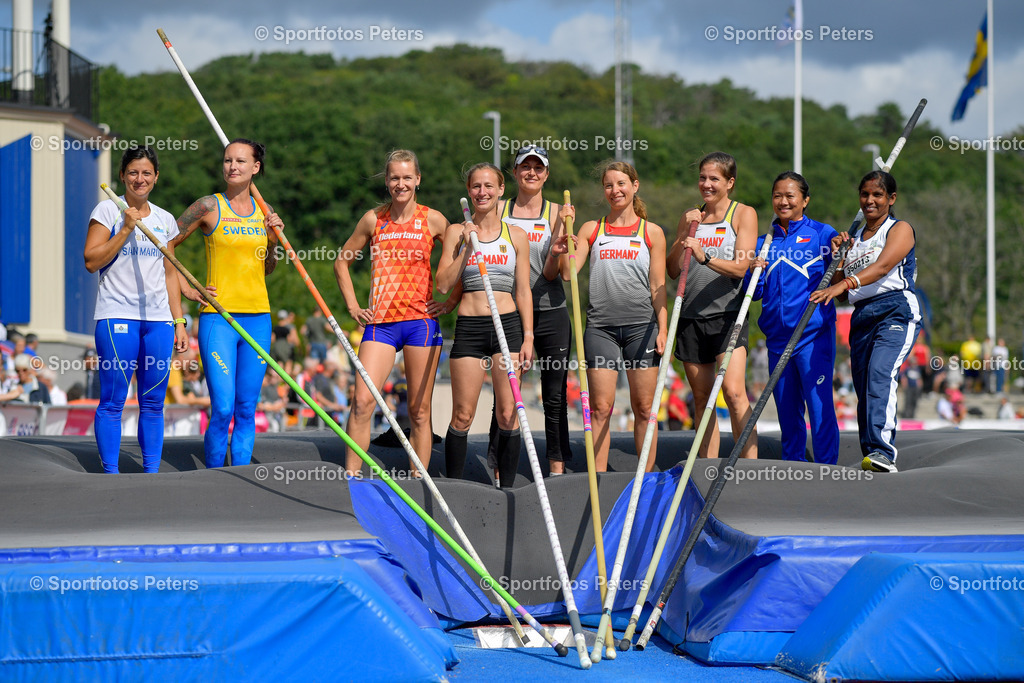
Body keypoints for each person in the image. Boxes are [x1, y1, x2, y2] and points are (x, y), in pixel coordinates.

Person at [334, 149, 449, 474]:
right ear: (387, 181)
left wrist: (450, 300)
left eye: (407, 177)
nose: (401, 183)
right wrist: (354, 306)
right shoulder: (374, 219)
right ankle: (352, 477)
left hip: (420, 323)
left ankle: (418, 480)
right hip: (381, 324)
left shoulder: (433, 219)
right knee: (362, 403)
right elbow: (341, 261)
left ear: (418, 180)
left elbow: (462, 260)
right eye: (395, 177)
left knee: (419, 410)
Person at [172, 138, 281, 468]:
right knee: (222, 407)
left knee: (247, 407)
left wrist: (273, 241)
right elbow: (166, 246)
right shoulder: (208, 206)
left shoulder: (266, 212)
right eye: (227, 160)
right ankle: (215, 477)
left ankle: (241, 480)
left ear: (255, 168)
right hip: (218, 318)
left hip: (258, 317)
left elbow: (268, 267)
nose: (232, 167)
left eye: (241, 161)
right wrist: (187, 286)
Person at [83, 146, 189, 474]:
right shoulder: (107, 210)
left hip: (158, 320)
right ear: (122, 176)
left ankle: (151, 474)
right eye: (133, 172)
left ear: (156, 178)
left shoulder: (165, 220)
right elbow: (91, 261)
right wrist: (126, 228)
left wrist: (180, 321)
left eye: (146, 173)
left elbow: (170, 272)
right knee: (114, 400)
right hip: (117, 314)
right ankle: (111, 474)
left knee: (154, 402)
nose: (139, 179)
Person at [810, 171, 919, 473]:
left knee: (879, 376)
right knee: (863, 388)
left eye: (878, 195)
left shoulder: (899, 229)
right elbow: (842, 293)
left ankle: (883, 452)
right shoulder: (854, 240)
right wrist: (838, 259)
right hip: (861, 316)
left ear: (891, 199)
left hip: (895, 309)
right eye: (865, 194)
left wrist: (843, 284)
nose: (870, 200)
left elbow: (883, 266)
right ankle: (871, 455)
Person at [437, 162, 534, 487]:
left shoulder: (516, 235)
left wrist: (528, 336)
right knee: (463, 415)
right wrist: (466, 246)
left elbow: (522, 290)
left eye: (489, 186)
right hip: (470, 327)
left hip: (507, 327)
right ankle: (454, 489)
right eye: (476, 186)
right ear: (469, 191)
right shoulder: (456, 231)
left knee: (508, 414)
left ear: (501, 190)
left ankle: (507, 490)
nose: (482, 192)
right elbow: (442, 285)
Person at [568, 161, 667, 472]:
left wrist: (663, 328)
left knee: (644, 408)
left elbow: (658, 286)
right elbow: (568, 274)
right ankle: (598, 479)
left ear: (634, 186)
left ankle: (646, 479)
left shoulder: (651, 232)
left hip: (643, 328)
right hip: (601, 329)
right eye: (609, 185)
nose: (615, 190)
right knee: (600, 408)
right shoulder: (591, 229)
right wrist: (563, 239)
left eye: (621, 184)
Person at [485, 145, 572, 474]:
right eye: (525, 167)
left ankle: (556, 467)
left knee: (554, 394)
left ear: (547, 174)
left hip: (550, 310)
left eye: (538, 168)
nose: (531, 173)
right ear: (515, 172)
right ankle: (499, 469)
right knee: (505, 394)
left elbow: (557, 273)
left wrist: (563, 233)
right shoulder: (500, 210)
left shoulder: (555, 213)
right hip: (508, 312)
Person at [667, 151, 757, 459]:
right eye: (702, 178)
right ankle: (707, 470)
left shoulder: (742, 214)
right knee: (702, 400)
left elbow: (741, 268)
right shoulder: (691, 217)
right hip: (691, 318)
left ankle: (750, 468)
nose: (706, 184)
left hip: (728, 315)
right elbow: (673, 269)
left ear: (729, 182)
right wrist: (682, 238)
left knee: (733, 392)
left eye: (714, 179)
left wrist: (705, 256)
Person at [749, 172, 839, 465]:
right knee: (788, 415)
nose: (783, 201)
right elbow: (756, 295)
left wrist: (841, 250)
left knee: (819, 409)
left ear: (805, 200)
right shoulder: (765, 242)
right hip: (777, 342)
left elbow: (841, 274)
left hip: (813, 339)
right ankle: (793, 468)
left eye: (790, 196)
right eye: (778, 196)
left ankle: (827, 469)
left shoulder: (822, 234)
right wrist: (754, 271)